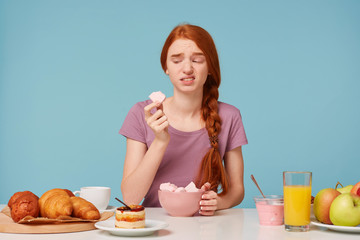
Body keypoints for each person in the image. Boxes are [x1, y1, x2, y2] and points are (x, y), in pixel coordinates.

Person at [119, 24, 248, 216]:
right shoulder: (142, 113)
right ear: (166, 67)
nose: (187, 68)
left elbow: (237, 190)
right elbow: (130, 197)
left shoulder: (230, 116)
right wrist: (160, 141)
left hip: (208, 227)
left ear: (210, 66)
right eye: (177, 60)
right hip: (156, 224)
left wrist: (219, 202)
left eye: (197, 60)